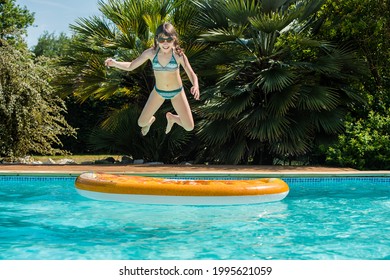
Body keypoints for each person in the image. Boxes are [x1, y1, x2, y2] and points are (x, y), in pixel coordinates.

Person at [104, 22, 200, 136]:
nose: (165, 43)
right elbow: (131, 66)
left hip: (177, 93)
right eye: (161, 39)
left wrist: (195, 85)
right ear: (156, 39)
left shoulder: (178, 55)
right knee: (141, 123)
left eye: (168, 39)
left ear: (174, 39)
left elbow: (191, 73)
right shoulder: (151, 53)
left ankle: (172, 118)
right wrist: (115, 63)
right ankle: (150, 121)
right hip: (158, 92)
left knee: (189, 127)